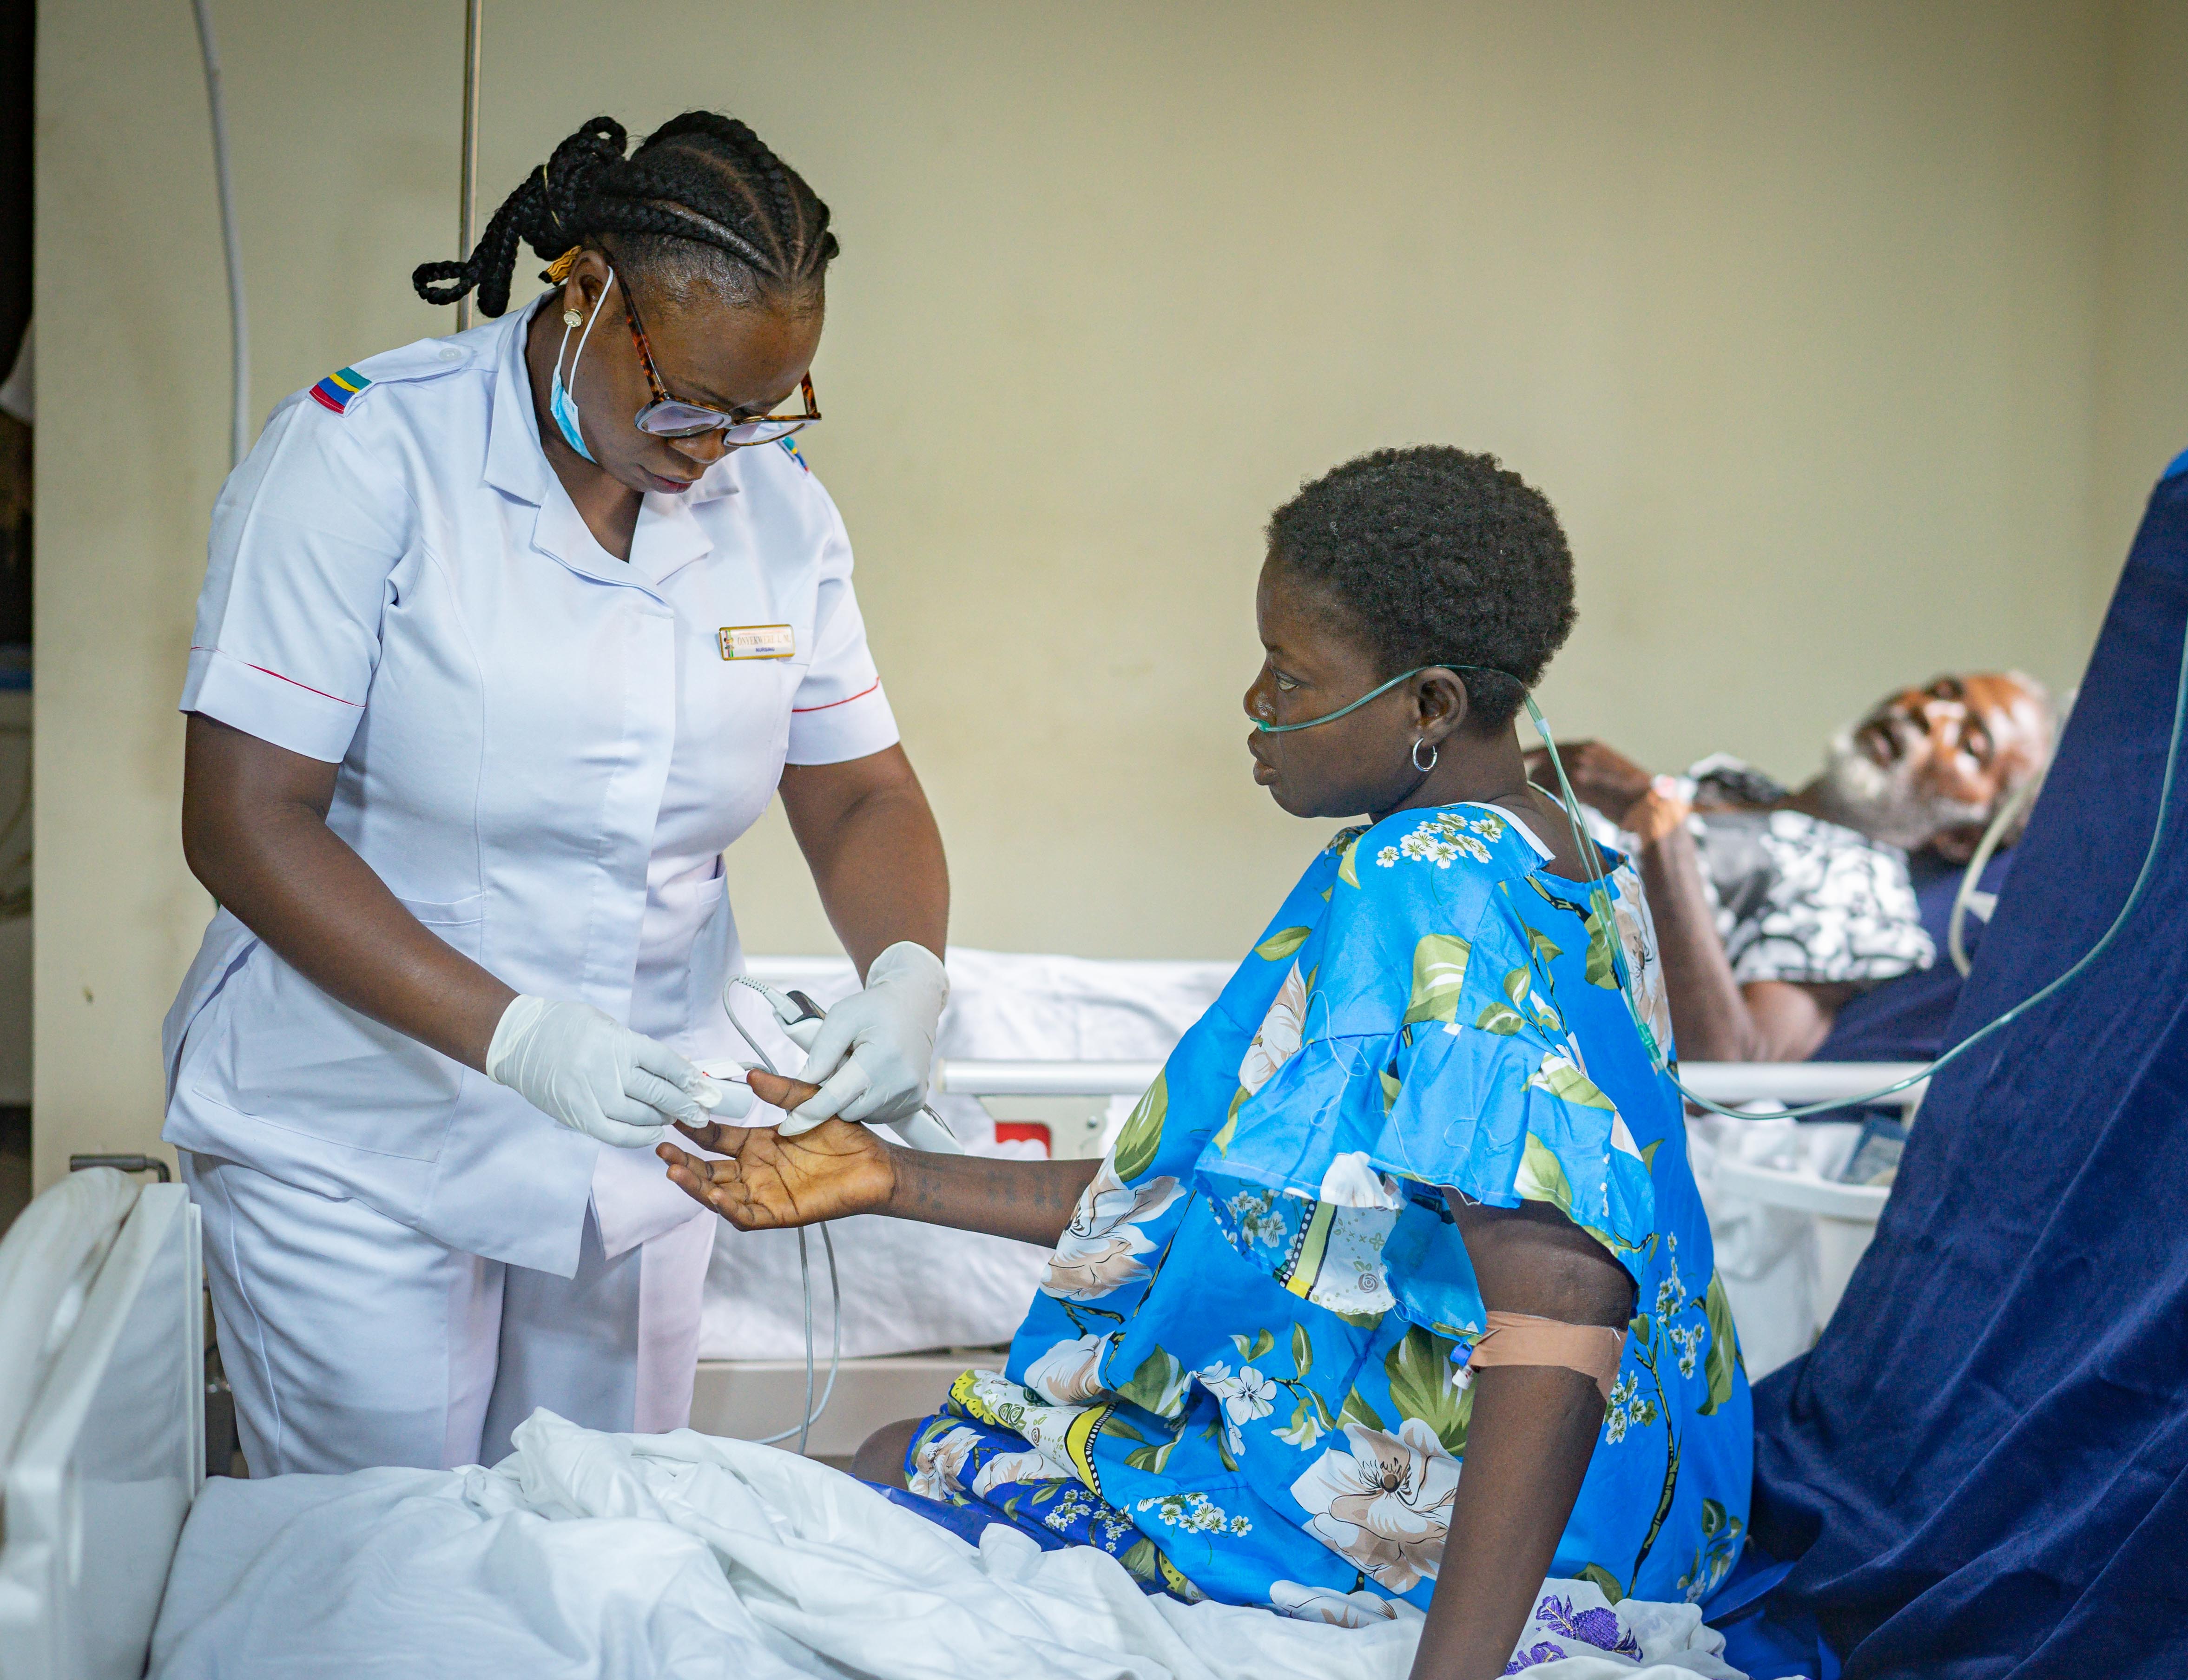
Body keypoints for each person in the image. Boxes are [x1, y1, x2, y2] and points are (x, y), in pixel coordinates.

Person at [663, 448, 1751, 1678]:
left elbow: (1559, 1290)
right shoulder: (1559, 849)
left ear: (1429, 705)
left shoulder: (1419, 875)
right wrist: (882, 1172)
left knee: (909, 1463)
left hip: (1505, 1519)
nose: (1253, 699)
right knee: (917, 1448)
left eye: (1289, 672)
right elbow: (1228, 1189)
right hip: (1654, 1495)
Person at [164, 113, 951, 1477]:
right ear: (581, 293)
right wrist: (520, 1037)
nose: (715, 445)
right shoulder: (366, 456)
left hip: (640, 1141)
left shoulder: (780, 512)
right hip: (363, 1128)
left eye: (762, 412)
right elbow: (244, 816)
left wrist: (906, 976)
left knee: (598, 1543)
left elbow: (860, 791)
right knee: (386, 1564)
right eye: (686, 399)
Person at [1539, 672, 2056, 1064]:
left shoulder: (1863, 893)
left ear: (1961, 837)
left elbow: (1732, 1068)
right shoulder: (1738, 788)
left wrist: (1659, 827)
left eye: (1970, 745)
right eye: (1939, 691)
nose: (1928, 712)